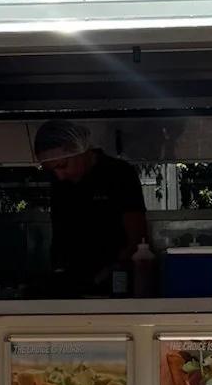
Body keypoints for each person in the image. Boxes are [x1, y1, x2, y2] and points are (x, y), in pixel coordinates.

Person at [33, 120, 149, 295]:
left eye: (63, 166)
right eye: (52, 171)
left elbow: (136, 237)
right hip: (74, 284)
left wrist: (107, 273)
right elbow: (59, 236)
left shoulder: (119, 174)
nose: (60, 175)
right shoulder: (60, 185)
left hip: (117, 281)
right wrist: (59, 275)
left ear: (79, 150)